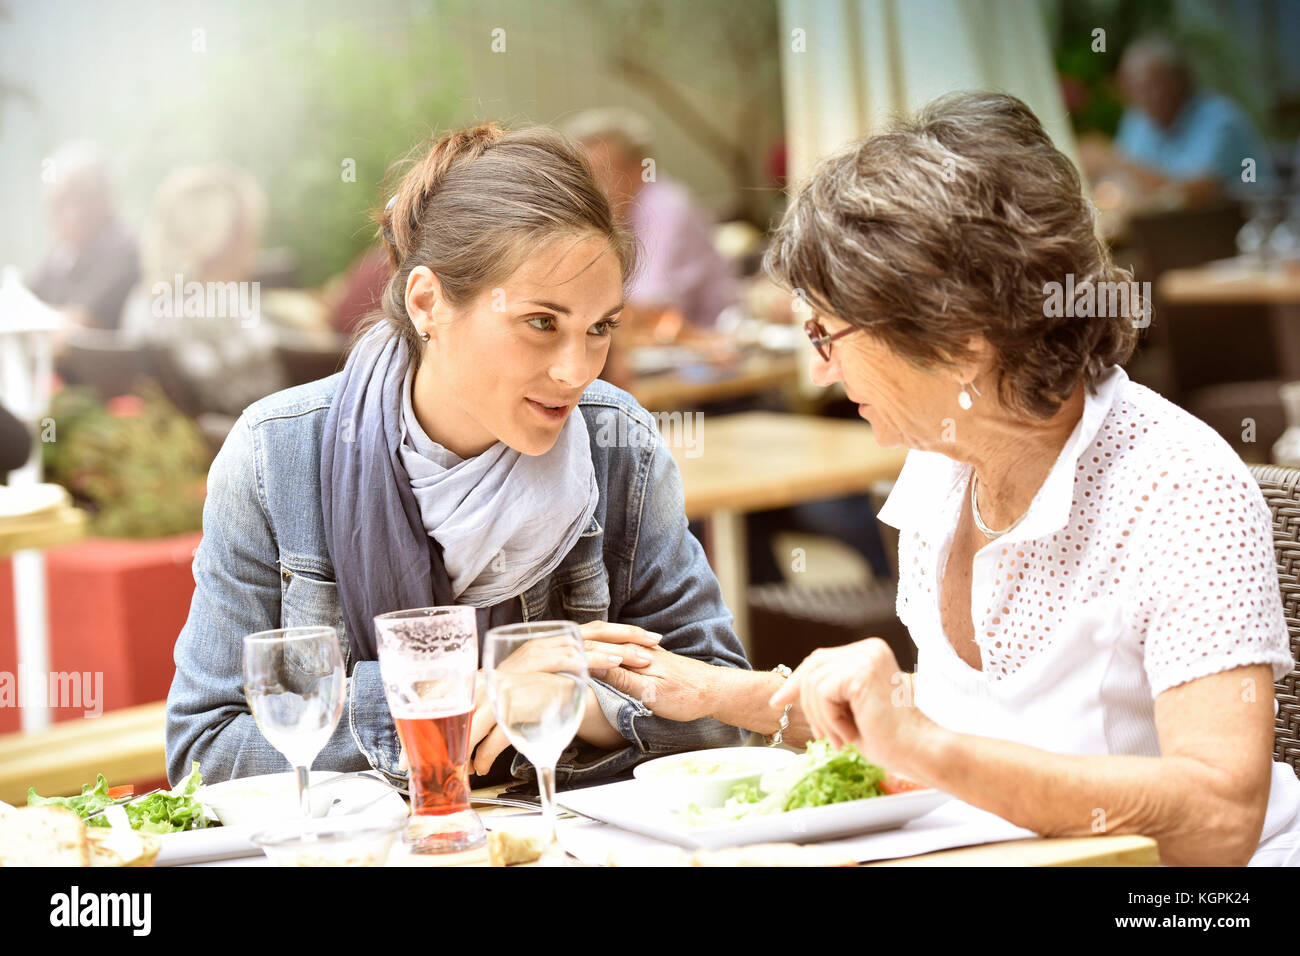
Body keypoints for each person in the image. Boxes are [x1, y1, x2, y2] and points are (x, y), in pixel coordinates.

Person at [165, 124, 811, 790]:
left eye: (600, 328)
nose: (576, 370)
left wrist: (573, 703)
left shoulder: (620, 445)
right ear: (427, 303)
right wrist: (464, 691)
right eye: (541, 323)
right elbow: (204, 751)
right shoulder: (275, 454)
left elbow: (723, 708)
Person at [752, 90, 1299, 866]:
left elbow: (1220, 819)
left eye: (828, 330)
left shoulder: (1179, 485)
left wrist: (924, 746)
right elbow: (968, 725)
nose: (818, 366)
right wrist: (697, 694)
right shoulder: (944, 462)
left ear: (961, 340)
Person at [566, 108, 738, 331]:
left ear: (639, 167)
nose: (595, 189)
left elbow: (649, 307)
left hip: (710, 339)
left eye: (603, 173)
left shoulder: (666, 207)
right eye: (586, 177)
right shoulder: (611, 214)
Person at [1082, 35, 1276, 200]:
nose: (1147, 96)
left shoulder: (1222, 122)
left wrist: (1113, 160)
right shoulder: (1137, 119)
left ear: (1183, 80)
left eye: (1155, 85)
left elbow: (1193, 193)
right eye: (1137, 87)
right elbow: (1125, 186)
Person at [28, 141, 140, 332]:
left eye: (79, 199)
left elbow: (83, 323)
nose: (67, 214)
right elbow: (24, 301)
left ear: (105, 199)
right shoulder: (63, 257)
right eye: (55, 204)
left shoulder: (125, 251)